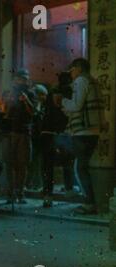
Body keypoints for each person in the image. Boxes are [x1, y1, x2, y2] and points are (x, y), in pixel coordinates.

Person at [56, 58, 105, 215]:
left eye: (71, 70)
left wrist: (63, 101)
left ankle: (89, 204)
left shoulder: (80, 81)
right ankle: (89, 202)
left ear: (77, 68)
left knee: (80, 168)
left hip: (83, 131)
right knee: (81, 166)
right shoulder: (93, 81)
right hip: (93, 130)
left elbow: (76, 105)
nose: (70, 74)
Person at [2, 68, 35, 204]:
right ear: (15, 80)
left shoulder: (30, 94)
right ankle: (10, 193)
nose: (23, 81)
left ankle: (20, 192)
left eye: (25, 79)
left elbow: (33, 112)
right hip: (9, 132)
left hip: (23, 132)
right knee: (9, 164)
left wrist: (26, 100)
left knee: (22, 164)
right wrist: (7, 103)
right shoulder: (8, 93)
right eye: (20, 79)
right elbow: (3, 112)